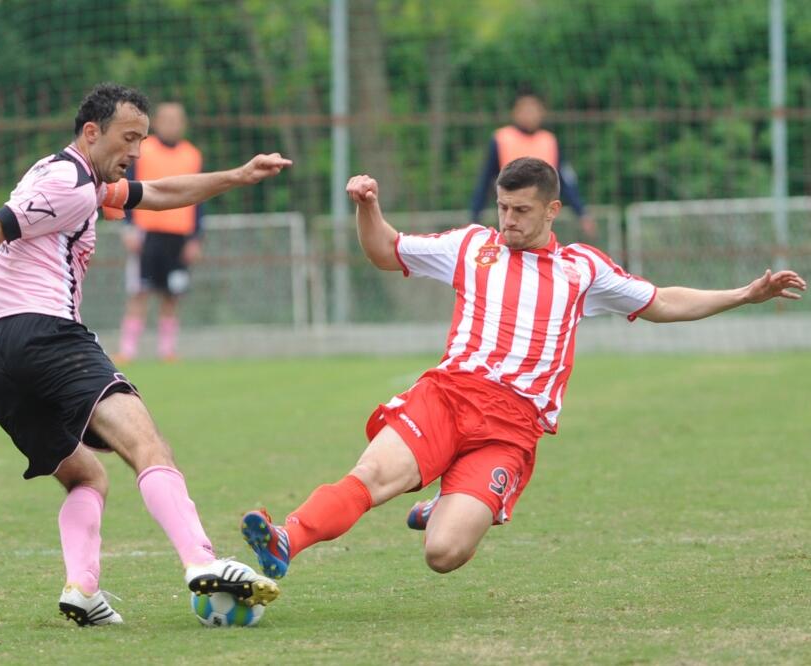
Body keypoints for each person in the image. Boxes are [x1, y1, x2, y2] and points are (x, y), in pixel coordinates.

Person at [240, 157, 805, 581]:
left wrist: (744, 294)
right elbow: (385, 251)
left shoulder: (581, 268)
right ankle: (286, 539)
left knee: (443, 554)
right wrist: (369, 207)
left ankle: (442, 502)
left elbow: (661, 302)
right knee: (371, 477)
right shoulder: (471, 245)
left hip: (511, 428)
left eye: (521, 211)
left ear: (552, 210)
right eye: (502, 208)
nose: (507, 220)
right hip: (448, 395)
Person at [0, 83, 292, 626]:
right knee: (146, 444)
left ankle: (82, 588)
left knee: (85, 477)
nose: (137, 150)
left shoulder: (77, 178)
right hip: (45, 336)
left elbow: (161, 194)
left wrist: (237, 176)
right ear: (92, 132)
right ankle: (200, 560)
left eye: (142, 139)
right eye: (128, 138)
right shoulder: (71, 183)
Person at [116, 101, 203, 363]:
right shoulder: (143, 151)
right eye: (167, 119)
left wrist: (196, 237)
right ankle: (128, 350)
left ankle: (167, 350)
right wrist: (127, 227)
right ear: (157, 122)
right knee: (139, 292)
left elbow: (200, 198)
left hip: (179, 234)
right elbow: (125, 189)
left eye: (177, 120)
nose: (172, 125)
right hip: (147, 232)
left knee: (172, 295)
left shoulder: (192, 155)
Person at [469, 91, 597, 239]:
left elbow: (565, 181)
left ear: (541, 113)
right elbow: (485, 180)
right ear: (515, 113)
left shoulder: (549, 141)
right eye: (525, 110)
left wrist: (581, 213)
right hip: (513, 212)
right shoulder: (502, 139)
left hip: (541, 214)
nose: (529, 115)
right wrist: (475, 216)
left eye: (533, 110)